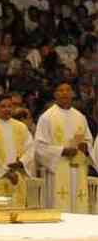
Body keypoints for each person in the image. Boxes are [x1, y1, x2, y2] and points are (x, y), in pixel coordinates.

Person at [35, 82, 95, 213]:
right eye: (61, 90)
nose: (65, 93)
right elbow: (39, 147)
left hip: (78, 168)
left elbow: (89, 141)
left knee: (79, 206)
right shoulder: (47, 117)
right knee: (60, 205)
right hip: (58, 168)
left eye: (68, 90)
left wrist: (86, 146)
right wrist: (62, 151)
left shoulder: (80, 117)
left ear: (72, 94)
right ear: (55, 94)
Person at [0, 93, 36, 207]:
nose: (7, 109)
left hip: (18, 176)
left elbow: (30, 148)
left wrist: (21, 162)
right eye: (3, 106)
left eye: (9, 106)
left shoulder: (20, 127)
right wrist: (5, 172)